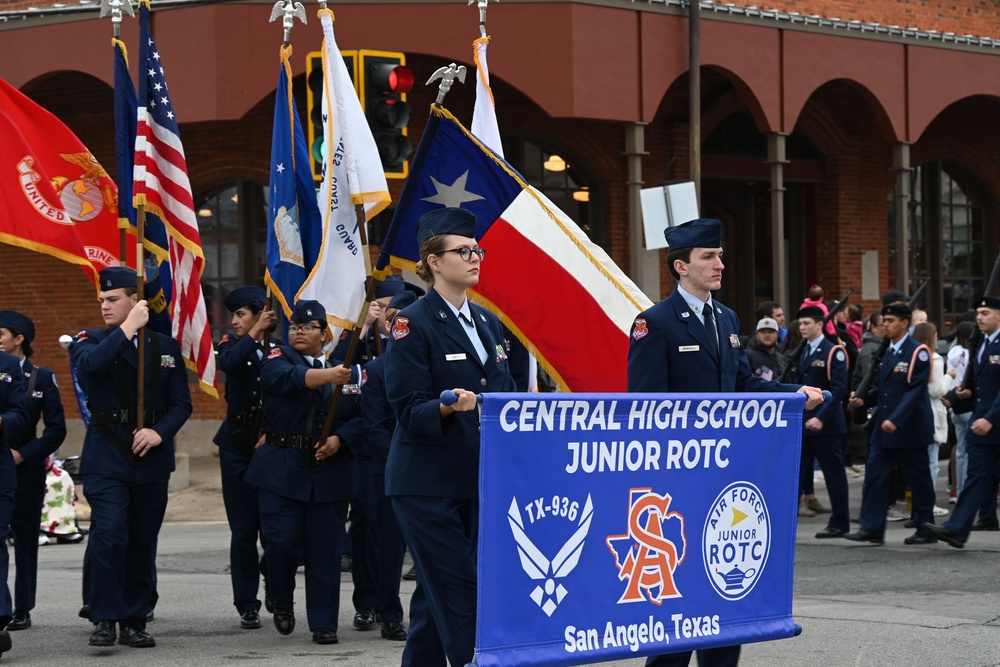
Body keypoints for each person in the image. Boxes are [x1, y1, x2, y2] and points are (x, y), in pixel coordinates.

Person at [627, 217, 823, 667]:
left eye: (720, 256)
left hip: (725, 472)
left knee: (722, 590)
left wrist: (792, 394)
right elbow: (646, 405)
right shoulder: (653, 323)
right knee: (679, 600)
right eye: (708, 257)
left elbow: (742, 383)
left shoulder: (727, 317)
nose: (720, 264)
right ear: (681, 266)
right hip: (678, 477)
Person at [384, 207, 516, 667]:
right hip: (426, 483)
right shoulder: (412, 322)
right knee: (462, 591)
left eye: (477, 249)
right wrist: (444, 405)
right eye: (463, 251)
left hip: (476, 480)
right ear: (433, 261)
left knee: (432, 596)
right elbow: (405, 406)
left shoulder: (488, 324)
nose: (475, 257)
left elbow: (506, 395)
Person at [74, 266, 192, 648]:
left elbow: (181, 403)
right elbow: (91, 368)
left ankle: (135, 619)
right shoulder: (90, 339)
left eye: (112, 299)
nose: (105, 306)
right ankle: (105, 617)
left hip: (150, 456)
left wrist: (160, 432)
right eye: (102, 301)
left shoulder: (166, 347)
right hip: (108, 455)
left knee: (142, 540)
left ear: (133, 299)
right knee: (109, 534)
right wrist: (127, 330)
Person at [245, 299, 364, 644]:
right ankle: (281, 596)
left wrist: (340, 439)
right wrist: (329, 376)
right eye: (295, 326)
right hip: (282, 468)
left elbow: (364, 417)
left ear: (325, 335)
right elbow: (287, 380)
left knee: (326, 551)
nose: (298, 332)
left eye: (308, 327)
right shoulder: (277, 358)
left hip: (329, 471)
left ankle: (324, 623)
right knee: (281, 543)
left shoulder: (350, 372)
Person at [354, 290, 417, 643]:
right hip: (389, 468)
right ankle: (389, 613)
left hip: (431, 468)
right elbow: (374, 427)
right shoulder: (376, 371)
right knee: (388, 547)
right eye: (394, 322)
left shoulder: (432, 364)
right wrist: (403, 458)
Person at [846, 303, 936, 546]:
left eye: (891, 320)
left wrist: (896, 420)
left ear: (905, 323)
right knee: (875, 476)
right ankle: (872, 528)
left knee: (918, 480)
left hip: (909, 429)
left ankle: (925, 528)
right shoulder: (888, 351)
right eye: (884, 320)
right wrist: (864, 399)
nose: (886, 324)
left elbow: (914, 391)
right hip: (883, 429)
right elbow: (885, 389)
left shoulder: (919, 352)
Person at [214, 286, 276, 630]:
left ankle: (275, 583)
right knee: (243, 530)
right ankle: (247, 603)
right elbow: (229, 363)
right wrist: (253, 333)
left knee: (274, 530)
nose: (234, 321)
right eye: (233, 315)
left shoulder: (279, 349)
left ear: (259, 313)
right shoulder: (230, 344)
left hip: (270, 447)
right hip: (237, 445)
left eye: (241, 315)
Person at [0, 311, 66, 631]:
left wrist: (23, 456)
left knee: (25, 537)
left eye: (1, 333)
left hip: (24, 467)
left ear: (19, 338)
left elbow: (55, 430)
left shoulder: (41, 378)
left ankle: (22, 607)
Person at [923, 296, 1000, 548]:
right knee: (977, 476)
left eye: (985, 313)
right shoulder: (982, 344)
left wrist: (990, 418)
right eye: (978, 313)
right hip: (982, 425)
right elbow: (981, 387)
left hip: (992, 422)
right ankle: (957, 529)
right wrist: (959, 398)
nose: (979, 317)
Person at [793, 307, 851, 538]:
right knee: (796, 474)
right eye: (800, 324)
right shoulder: (804, 351)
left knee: (833, 475)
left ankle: (840, 522)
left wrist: (820, 417)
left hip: (826, 425)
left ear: (819, 324)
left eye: (807, 323)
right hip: (804, 423)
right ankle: (787, 522)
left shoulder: (833, 351)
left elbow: (838, 389)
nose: (802, 327)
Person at [912, 322, 951, 518]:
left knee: (920, 463)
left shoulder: (913, 357)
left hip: (916, 415)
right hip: (932, 413)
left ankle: (919, 504)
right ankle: (929, 503)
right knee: (931, 463)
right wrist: (949, 377)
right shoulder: (934, 359)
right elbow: (936, 390)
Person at [944, 321, 975, 502]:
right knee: (973, 451)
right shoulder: (972, 352)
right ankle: (970, 492)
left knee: (961, 450)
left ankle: (960, 490)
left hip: (955, 403)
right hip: (968, 401)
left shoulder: (953, 352)